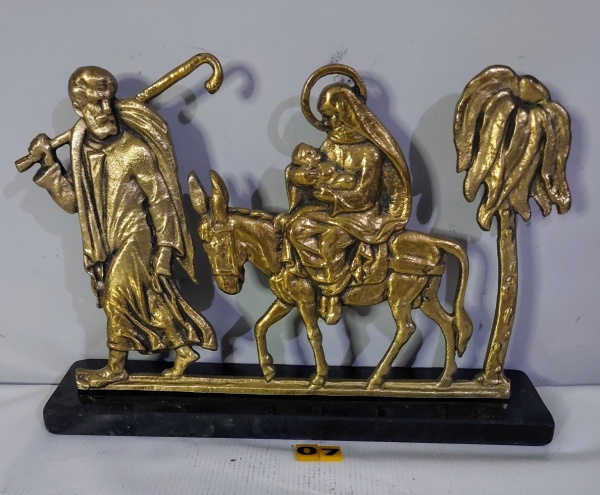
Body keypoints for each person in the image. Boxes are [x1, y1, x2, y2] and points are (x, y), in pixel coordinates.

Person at [26, 66, 216, 388]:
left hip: (137, 237)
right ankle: (184, 351)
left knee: (116, 297)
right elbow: (73, 203)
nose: (106, 109)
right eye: (96, 103)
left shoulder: (135, 150)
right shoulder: (82, 152)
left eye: (109, 100)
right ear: (79, 108)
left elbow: (161, 201)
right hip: (108, 244)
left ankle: (116, 368)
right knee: (148, 299)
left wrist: (165, 250)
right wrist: (49, 163)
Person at [282, 84, 412, 325]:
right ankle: (315, 279)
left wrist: (333, 197)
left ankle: (332, 293)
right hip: (332, 210)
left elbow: (367, 196)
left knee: (329, 241)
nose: (327, 122)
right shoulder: (330, 144)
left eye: (331, 115)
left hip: (362, 215)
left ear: (347, 113)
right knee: (296, 229)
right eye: (325, 116)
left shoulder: (370, 152)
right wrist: (297, 176)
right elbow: (309, 170)